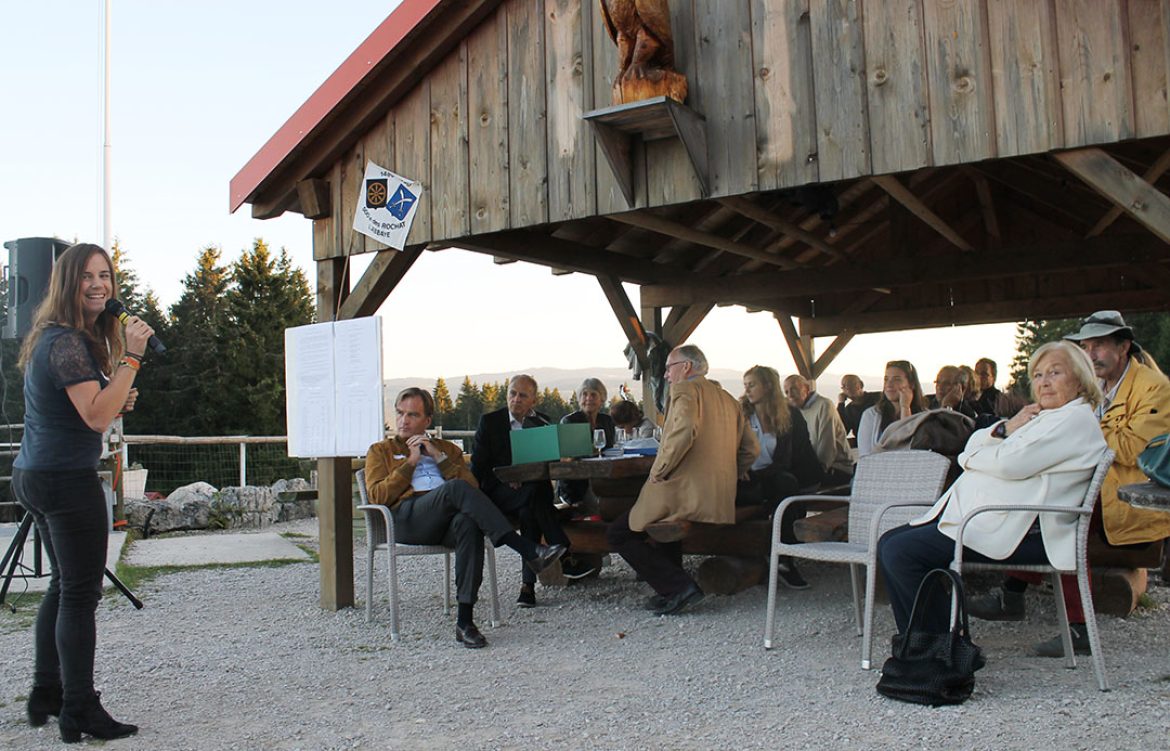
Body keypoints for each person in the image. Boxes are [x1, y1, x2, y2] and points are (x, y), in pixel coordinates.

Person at [12, 243, 153, 742]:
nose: (99, 285)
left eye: (106, 276)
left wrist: (118, 391)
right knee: (79, 594)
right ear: (67, 284)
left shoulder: (58, 338)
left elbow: (91, 405)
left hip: (35, 473)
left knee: (63, 587)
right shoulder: (68, 343)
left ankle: (47, 692)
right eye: (87, 277)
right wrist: (132, 357)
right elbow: (95, 415)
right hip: (64, 480)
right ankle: (79, 710)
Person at [970, 311, 1170, 655]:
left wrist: (1073, 429)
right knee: (1043, 503)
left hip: (1126, 497)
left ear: (1123, 347)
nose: (1091, 355)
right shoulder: (1093, 389)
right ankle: (1015, 595)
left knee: (1062, 518)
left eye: (1100, 346)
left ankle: (1069, 625)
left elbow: (1134, 449)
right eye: (1086, 346)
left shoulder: (1155, 389)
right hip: (1089, 487)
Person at [877, 341, 1107, 636]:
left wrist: (977, 457)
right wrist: (1006, 429)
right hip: (1000, 519)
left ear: (1080, 379)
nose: (1044, 382)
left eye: (1055, 373)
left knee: (901, 551)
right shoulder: (1045, 416)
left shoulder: (1074, 420)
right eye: (1037, 375)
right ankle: (930, 641)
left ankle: (933, 651)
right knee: (890, 543)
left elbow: (1008, 464)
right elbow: (974, 444)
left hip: (1027, 530)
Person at [365, 388, 566, 648]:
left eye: (413, 415)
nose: (404, 420)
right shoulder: (380, 450)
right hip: (407, 519)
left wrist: (437, 456)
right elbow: (377, 495)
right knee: (455, 489)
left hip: (445, 520)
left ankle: (465, 622)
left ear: (427, 421)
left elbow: (473, 487)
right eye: (400, 413)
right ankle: (526, 549)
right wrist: (410, 463)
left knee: (468, 524)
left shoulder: (446, 449)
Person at [606, 345, 758, 615]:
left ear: (686, 367)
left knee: (618, 532)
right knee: (663, 522)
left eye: (669, 367)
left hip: (687, 493)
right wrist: (732, 473)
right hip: (719, 497)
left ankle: (678, 587)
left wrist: (660, 469)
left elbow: (685, 430)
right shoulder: (728, 399)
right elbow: (751, 449)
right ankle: (672, 588)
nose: (665, 375)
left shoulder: (686, 389)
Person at [471, 374, 592, 606]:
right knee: (535, 495)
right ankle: (565, 552)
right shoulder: (490, 422)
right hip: (498, 492)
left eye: (523, 395)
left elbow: (548, 462)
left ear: (533, 401)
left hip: (531, 493)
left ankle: (528, 588)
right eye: (512, 393)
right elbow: (478, 469)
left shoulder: (542, 424)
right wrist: (508, 479)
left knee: (531, 503)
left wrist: (561, 456)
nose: (516, 399)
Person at [740, 366, 822, 589]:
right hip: (743, 477)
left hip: (772, 475)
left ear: (768, 386)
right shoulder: (740, 414)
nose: (747, 390)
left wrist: (759, 474)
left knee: (786, 485)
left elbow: (784, 461)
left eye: (752, 384)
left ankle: (784, 558)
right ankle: (772, 555)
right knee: (784, 488)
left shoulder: (788, 415)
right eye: (745, 384)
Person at [783, 374, 853, 484]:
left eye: (794, 389)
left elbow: (828, 446)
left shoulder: (824, 405)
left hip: (836, 468)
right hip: (813, 468)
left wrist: (816, 473)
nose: (790, 395)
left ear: (806, 388)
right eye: (786, 392)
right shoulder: (796, 411)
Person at [558, 378, 615, 512]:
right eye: (584, 394)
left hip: (602, 478)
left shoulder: (606, 421)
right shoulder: (570, 422)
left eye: (593, 395)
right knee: (607, 505)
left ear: (602, 399)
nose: (588, 398)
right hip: (577, 483)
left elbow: (611, 449)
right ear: (579, 399)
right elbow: (568, 458)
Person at [857, 360, 928, 458]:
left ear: (911, 384)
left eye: (897, 379)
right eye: (886, 379)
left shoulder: (925, 416)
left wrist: (905, 408)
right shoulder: (872, 415)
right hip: (878, 470)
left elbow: (909, 451)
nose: (889, 384)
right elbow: (865, 454)